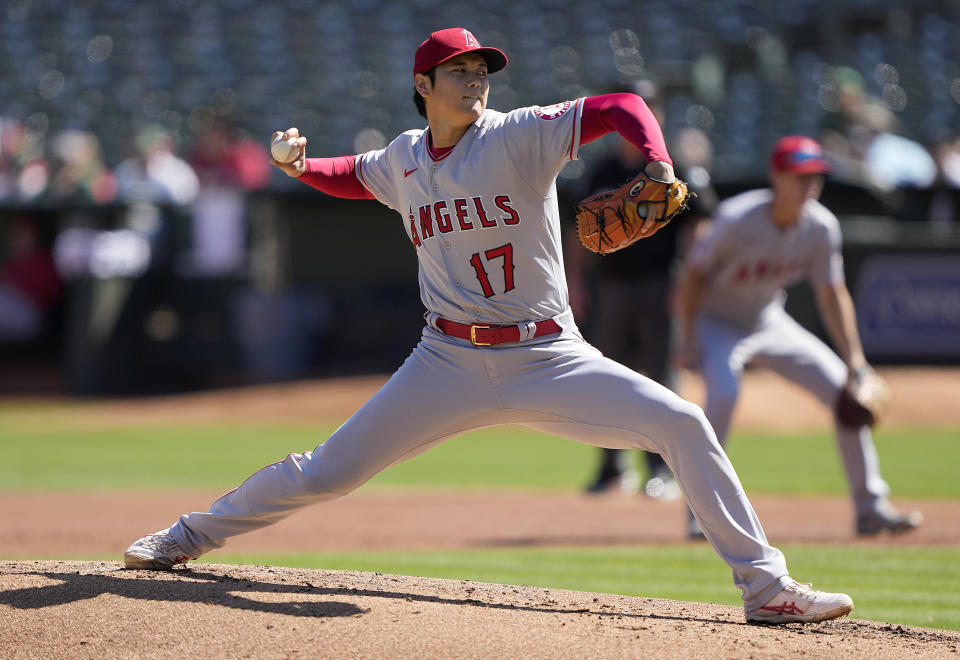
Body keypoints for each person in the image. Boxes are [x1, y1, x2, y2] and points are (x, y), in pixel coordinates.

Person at [124, 28, 854, 624]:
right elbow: (351, 174)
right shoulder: (404, 159)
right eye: (457, 71)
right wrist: (301, 164)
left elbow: (620, 105)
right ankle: (186, 536)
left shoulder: (517, 136)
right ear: (423, 86)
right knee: (327, 471)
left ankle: (767, 590)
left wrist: (658, 161)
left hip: (550, 356)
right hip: (445, 361)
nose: (475, 81)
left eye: (481, 70)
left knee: (683, 422)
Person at [674, 135, 923, 538]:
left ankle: (871, 507)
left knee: (848, 393)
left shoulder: (821, 225)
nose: (811, 184)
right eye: (801, 175)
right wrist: (687, 339)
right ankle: (702, 514)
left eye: (816, 176)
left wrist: (855, 361)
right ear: (778, 176)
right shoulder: (738, 217)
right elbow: (693, 275)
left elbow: (832, 293)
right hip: (718, 321)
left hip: (767, 319)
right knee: (722, 395)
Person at [570, 91, 718, 501]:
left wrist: (687, 282)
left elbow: (700, 229)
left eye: (653, 108)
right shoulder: (603, 169)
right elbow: (578, 230)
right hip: (612, 287)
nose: (646, 115)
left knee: (661, 378)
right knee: (603, 379)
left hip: (660, 285)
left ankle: (661, 471)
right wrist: (575, 281)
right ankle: (610, 468)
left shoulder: (675, 167)